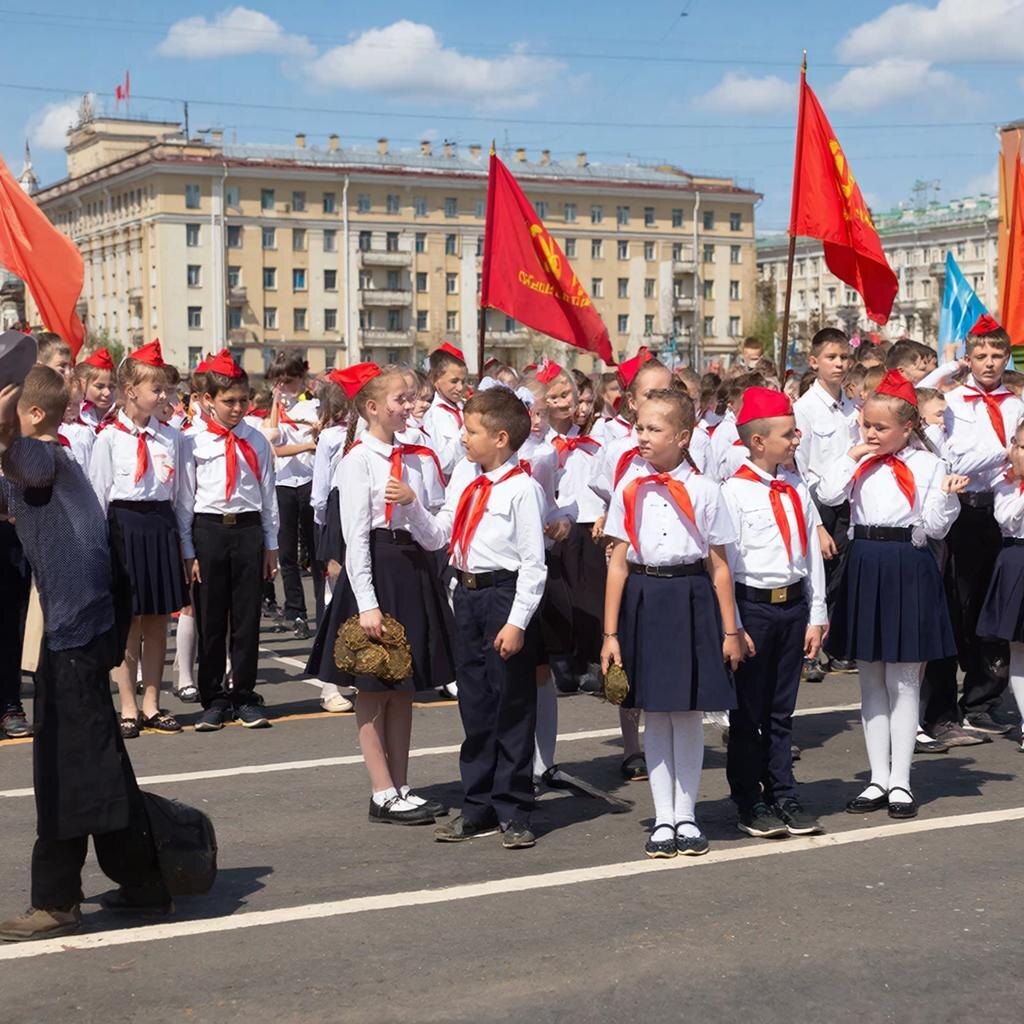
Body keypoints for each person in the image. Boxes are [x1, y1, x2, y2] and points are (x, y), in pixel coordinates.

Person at [0, 369, 171, 941]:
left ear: (34, 416)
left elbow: (23, 458)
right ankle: (145, 882)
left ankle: (57, 902)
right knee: (97, 759)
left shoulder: (46, 456)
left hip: (76, 631)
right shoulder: (32, 465)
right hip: (77, 629)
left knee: (65, 768)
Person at [306, 363, 455, 825]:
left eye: (412, 398)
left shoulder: (416, 457)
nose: (410, 406)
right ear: (372, 407)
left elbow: (434, 535)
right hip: (375, 573)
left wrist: (411, 504)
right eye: (400, 400)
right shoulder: (356, 460)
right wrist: (366, 603)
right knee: (372, 686)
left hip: (410, 568)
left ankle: (402, 783)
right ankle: (381, 789)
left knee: (402, 687)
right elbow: (355, 539)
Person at [601, 388, 741, 858]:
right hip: (644, 598)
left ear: (683, 437)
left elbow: (720, 566)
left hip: (690, 598)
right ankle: (663, 818)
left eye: (653, 429)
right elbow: (618, 565)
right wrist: (610, 633)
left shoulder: (706, 490)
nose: (641, 436)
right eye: (638, 427)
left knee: (687, 713)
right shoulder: (628, 487)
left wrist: (730, 630)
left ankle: (688, 814)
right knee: (655, 712)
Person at [818, 370, 964, 818]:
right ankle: (876, 777)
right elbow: (826, 491)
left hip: (908, 564)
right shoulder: (858, 460)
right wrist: (853, 454)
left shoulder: (930, 465)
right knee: (870, 678)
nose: (872, 433)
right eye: (866, 425)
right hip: (865, 562)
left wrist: (946, 496)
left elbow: (936, 527)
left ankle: (901, 779)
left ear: (908, 427)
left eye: (881, 427)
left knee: (904, 679)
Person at [413, 387, 549, 848]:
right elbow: (440, 534)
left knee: (511, 703)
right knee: (475, 704)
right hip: (467, 596)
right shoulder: (465, 481)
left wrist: (517, 621)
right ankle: (479, 805)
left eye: (471, 431)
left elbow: (534, 563)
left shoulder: (522, 489)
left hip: (503, 596)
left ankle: (514, 806)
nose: (463, 438)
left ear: (501, 438)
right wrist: (412, 504)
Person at [720, 387, 827, 838]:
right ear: (759, 441)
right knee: (748, 712)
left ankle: (783, 790)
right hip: (753, 609)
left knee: (782, 711)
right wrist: (735, 626)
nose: (796, 440)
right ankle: (749, 798)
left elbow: (810, 554)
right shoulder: (733, 493)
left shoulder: (795, 487)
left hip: (792, 606)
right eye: (788, 433)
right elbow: (726, 562)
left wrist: (817, 613)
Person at [178, 350, 280, 732]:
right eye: (228, 401)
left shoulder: (255, 439)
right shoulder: (192, 441)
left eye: (243, 401)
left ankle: (244, 694)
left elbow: (268, 494)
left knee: (246, 617)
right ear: (208, 401)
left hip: (249, 530)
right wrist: (189, 551)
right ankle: (213, 697)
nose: (237, 408)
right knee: (210, 617)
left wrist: (271, 546)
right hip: (209, 530)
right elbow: (185, 501)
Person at [90, 340, 188, 739]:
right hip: (123, 529)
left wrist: (185, 547)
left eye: (165, 389)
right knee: (128, 621)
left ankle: (152, 701)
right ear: (131, 391)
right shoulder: (108, 438)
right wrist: (98, 552)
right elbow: (98, 497)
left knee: (157, 621)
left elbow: (181, 496)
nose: (164, 397)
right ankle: (127, 703)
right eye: (157, 390)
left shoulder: (171, 438)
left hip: (160, 527)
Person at [942, 315, 1024, 734]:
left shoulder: (1016, 403)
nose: (989, 363)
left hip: (1008, 513)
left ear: (1007, 357)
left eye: (996, 355)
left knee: (1001, 610)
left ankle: (984, 697)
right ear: (968, 359)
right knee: (966, 603)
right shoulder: (954, 402)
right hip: (968, 511)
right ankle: (955, 698)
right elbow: (954, 459)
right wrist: (1005, 454)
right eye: (980, 355)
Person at [793, 327, 858, 676]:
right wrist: (815, 525)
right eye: (831, 357)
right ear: (814, 361)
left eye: (844, 357)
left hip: (848, 502)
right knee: (816, 577)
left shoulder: (852, 408)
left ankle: (832, 643)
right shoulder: (804, 409)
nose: (839, 364)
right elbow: (798, 470)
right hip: (818, 503)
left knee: (839, 579)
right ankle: (807, 652)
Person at [265, 351, 321, 638]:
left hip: (311, 481)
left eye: (288, 381)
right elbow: (271, 444)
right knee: (286, 551)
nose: (284, 387)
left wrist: (314, 440)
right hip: (284, 482)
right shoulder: (276, 410)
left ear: (301, 378)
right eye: (279, 381)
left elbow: (320, 441)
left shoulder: (314, 407)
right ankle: (296, 611)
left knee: (315, 550)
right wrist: (275, 402)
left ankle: (323, 610)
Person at [977, 418, 1024, 753]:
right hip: (1017, 559)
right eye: (1021, 445)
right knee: (1018, 647)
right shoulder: (1006, 482)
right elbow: (1006, 519)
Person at [422, 342, 468, 478]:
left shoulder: (464, 408)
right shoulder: (432, 415)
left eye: (464, 381)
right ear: (435, 379)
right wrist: (469, 428)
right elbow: (445, 465)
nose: (460, 388)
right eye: (454, 381)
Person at [74, 347, 116, 430]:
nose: (107, 393)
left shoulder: (121, 416)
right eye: (100, 387)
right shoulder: (72, 415)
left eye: (111, 387)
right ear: (83, 384)